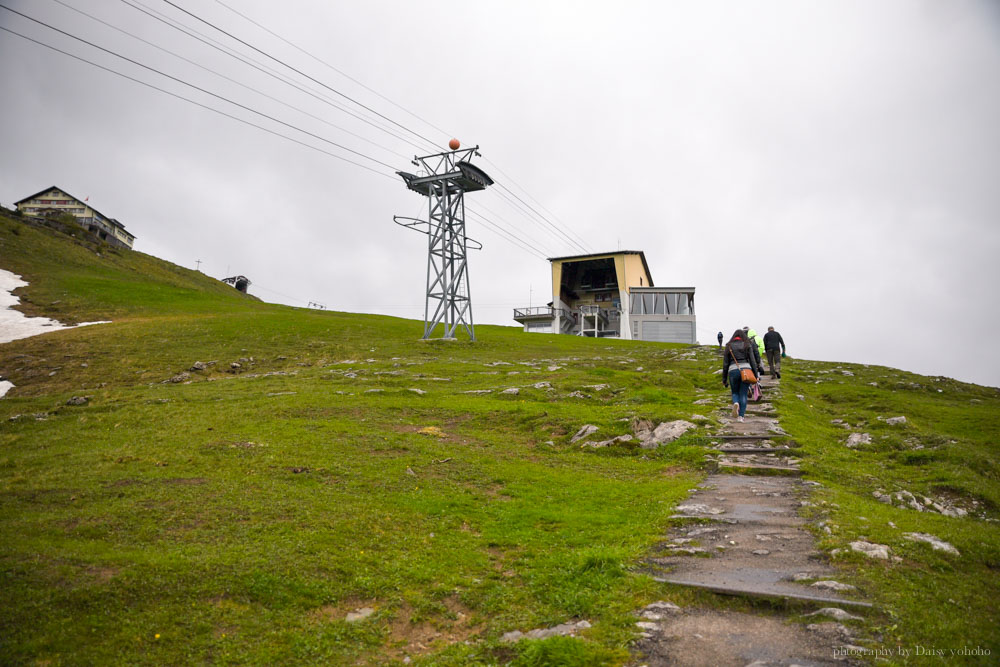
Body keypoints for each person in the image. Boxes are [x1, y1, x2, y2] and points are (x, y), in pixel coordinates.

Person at [722, 329, 762, 422]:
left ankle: (736, 403)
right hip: (746, 371)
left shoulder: (729, 346)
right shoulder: (747, 344)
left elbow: (725, 364)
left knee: (735, 392)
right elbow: (752, 361)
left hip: (733, 371)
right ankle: (741, 417)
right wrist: (756, 375)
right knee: (743, 394)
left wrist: (724, 379)